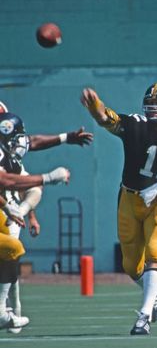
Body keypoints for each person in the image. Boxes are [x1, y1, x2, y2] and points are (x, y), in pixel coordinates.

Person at [81, 83, 157, 335]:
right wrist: (95, 107)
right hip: (129, 199)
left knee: (155, 253)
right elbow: (107, 118)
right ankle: (152, 292)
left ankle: (143, 317)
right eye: (151, 104)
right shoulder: (136, 125)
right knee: (131, 266)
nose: (154, 110)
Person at [0, 113, 70, 331]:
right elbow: (6, 180)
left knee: (11, 252)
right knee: (12, 249)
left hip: (5, 212)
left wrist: (15, 210)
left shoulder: (8, 155)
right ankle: (3, 312)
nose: (21, 142)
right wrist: (48, 177)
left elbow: (17, 182)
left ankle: (6, 311)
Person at [0, 100, 93, 150]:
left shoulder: (8, 142)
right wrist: (47, 178)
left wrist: (66, 137)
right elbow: (7, 180)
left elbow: (31, 142)